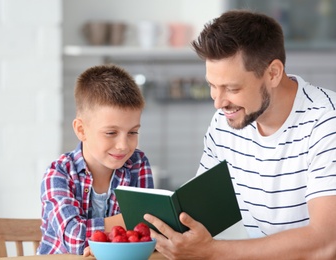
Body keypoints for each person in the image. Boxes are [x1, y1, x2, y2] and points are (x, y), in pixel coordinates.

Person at [144, 9, 336, 259]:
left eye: (232, 88)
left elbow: (326, 243)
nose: (219, 102)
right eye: (212, 86)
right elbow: (198, 213)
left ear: (273, 73)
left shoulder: (326, 122)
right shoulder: (226, 122)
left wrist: (211, 252)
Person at [37, 64, 154, 255]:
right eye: (111, 133)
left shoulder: (137, 164)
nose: (123, 145)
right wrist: (130, 220)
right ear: (81, 130)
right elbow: (75, 239)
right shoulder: (58, 174)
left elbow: (144, 235)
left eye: (133, 132)